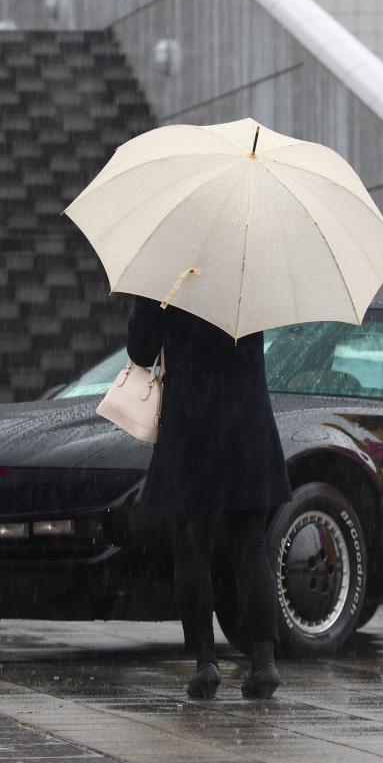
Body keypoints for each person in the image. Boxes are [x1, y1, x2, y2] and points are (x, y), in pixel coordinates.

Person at [125, 295, 293, 698]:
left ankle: (205, 662)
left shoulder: (173, 279)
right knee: (251, 547)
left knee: (191, 548)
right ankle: (264, 661)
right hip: (247, 427)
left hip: (191, 429)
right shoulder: (246, 269)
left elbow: (141, 352)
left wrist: (150, 304)